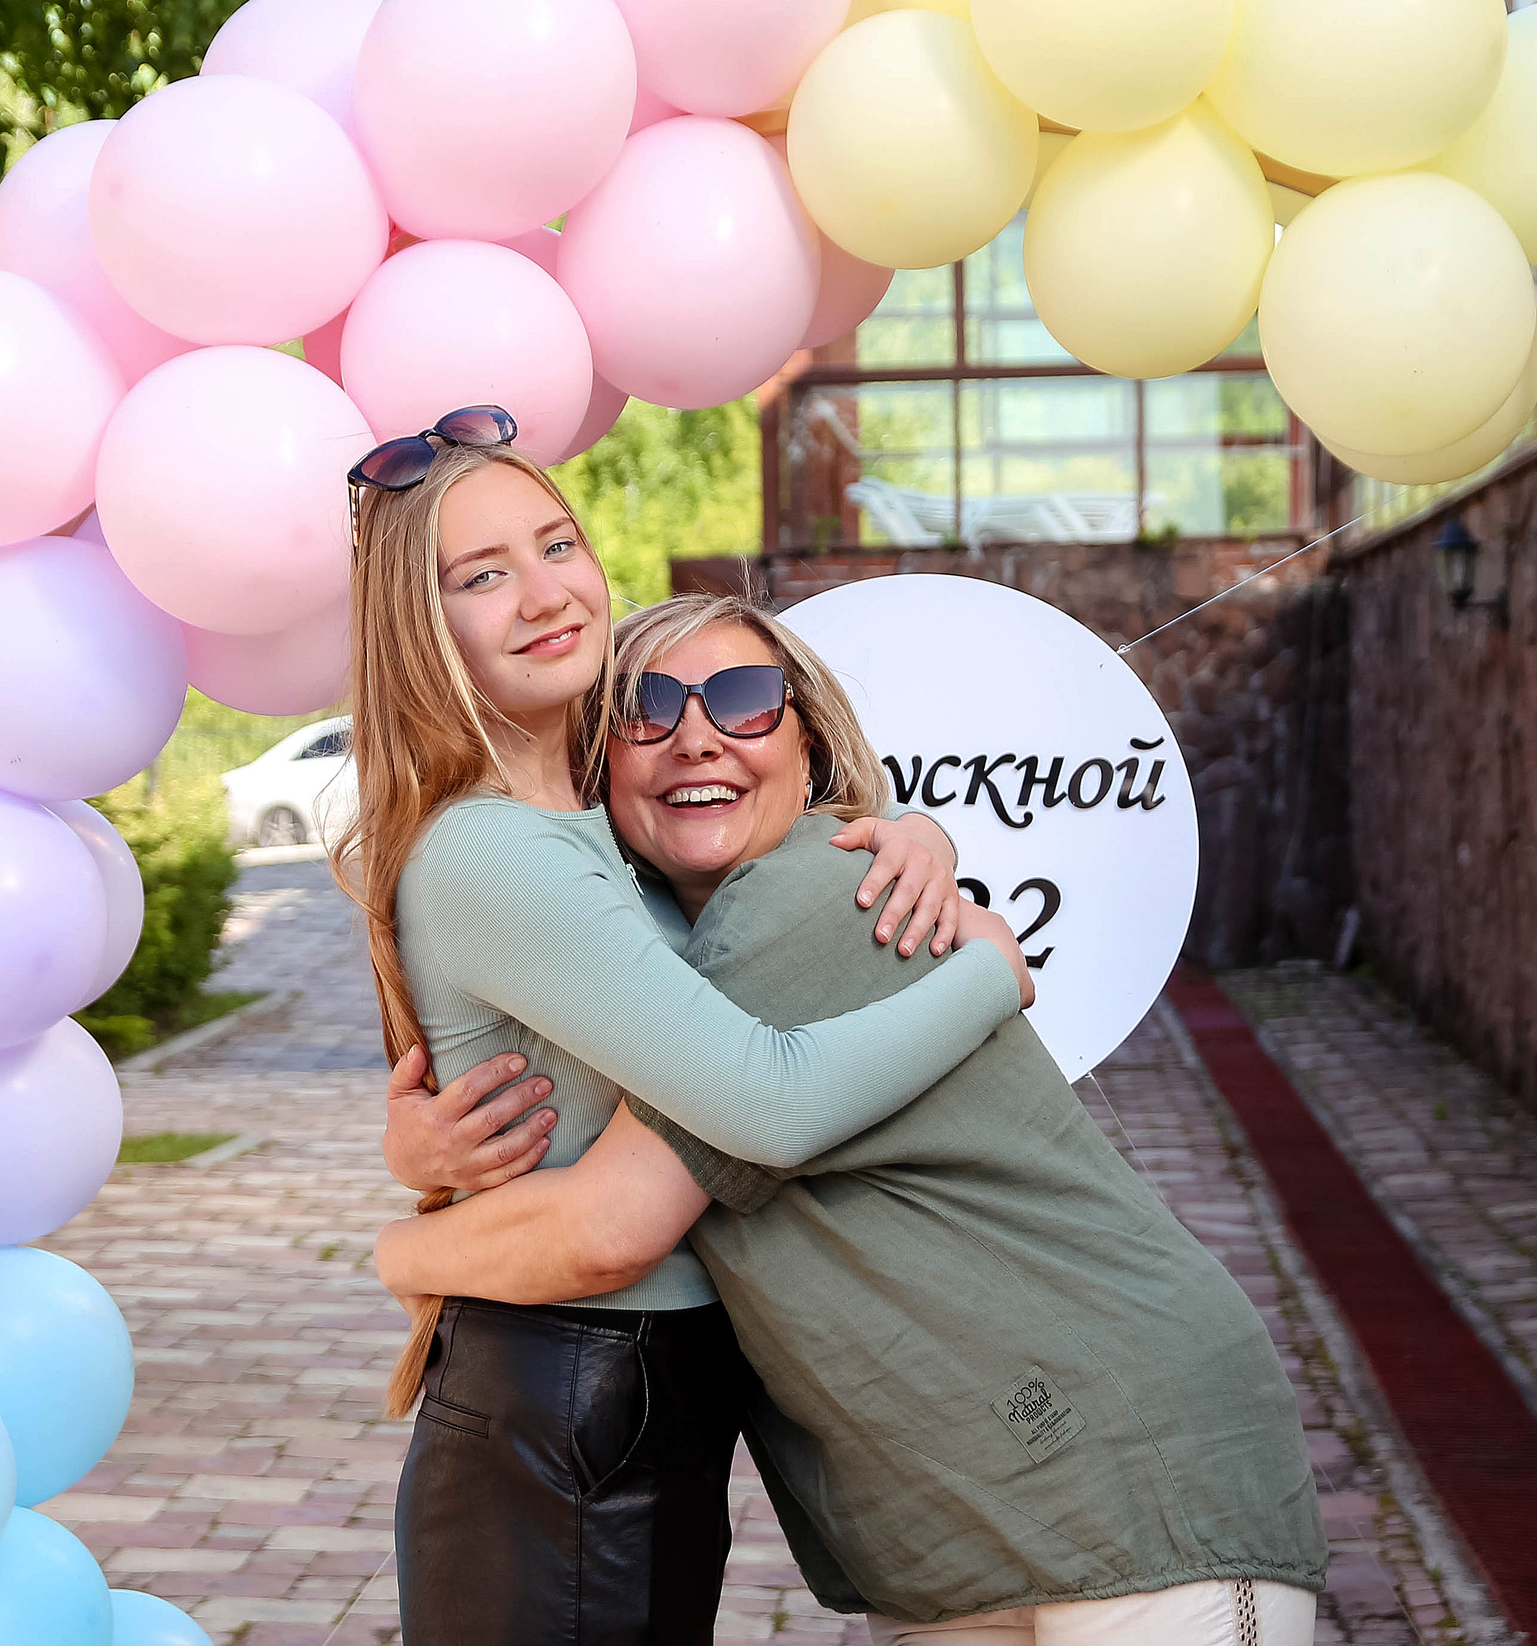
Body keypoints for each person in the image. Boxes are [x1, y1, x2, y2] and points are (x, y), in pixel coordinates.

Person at [374, 592, 1330, 1646]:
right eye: (646, 707)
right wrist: (416, 1144)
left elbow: (610, 1227)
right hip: (963, 1523)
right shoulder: (667, 953)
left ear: (808, 741)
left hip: (1131, 1476)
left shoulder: (810, 902)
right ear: (599, 762)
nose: (698, 736)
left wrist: (401, 1249)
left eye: (744, 701)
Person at [334, 408, 1040, 1645]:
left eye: (556, 545)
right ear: (422, 626)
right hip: (564, 1391)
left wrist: (914, 836)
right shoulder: (494, 853)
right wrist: (991, 972)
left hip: (638, 1392)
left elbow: (767, 879)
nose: (545, 594)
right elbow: (765, 1102)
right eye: (481, 576)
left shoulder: (598, 822)